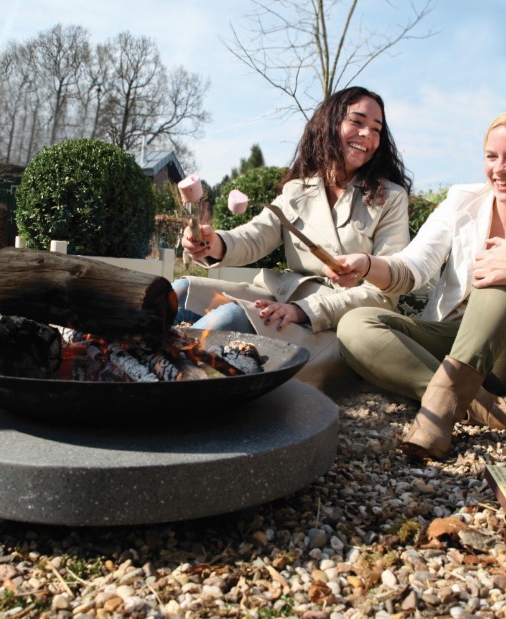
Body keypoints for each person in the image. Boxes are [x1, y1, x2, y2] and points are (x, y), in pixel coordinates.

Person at [326, 104, 506, 461]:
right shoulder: (463, 201)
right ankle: (493, 409)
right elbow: (413, 267)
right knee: (356, 325)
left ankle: (440, 408)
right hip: (455, 343)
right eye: (491, 156)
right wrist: (366, 265)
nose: (499, 168)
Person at [173, 86, 412, 391]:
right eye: (358, 121)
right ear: (330, 124)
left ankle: (161, 381)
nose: (367, 134)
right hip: (278, 297)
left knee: (227, 321)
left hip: (330, 323)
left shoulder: (390, 198)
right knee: (178, 291)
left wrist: (303, 311)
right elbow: (253, 237)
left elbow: (383, 294)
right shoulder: (297, 190)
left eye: (376, 129)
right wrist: (211, 242)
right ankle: (122, 361)